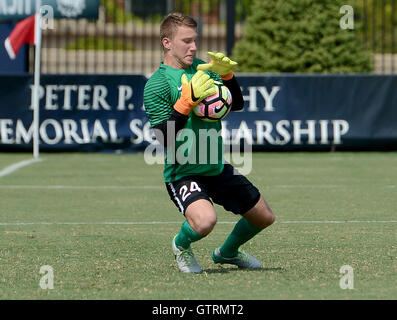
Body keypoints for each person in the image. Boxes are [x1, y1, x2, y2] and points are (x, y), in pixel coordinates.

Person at [143, 13, 275, 273]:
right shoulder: (157, 84)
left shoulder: (203, 69)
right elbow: (164, 138)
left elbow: (235, 104)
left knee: (264, 217)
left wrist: (228, 78)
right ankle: (181, 246)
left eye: (195, 40)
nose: (194, 47)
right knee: (205, 222)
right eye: (187, 41)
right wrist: (184, 104)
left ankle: (227, 253)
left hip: (216, 166)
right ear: (167, 43)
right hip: (183, 172)